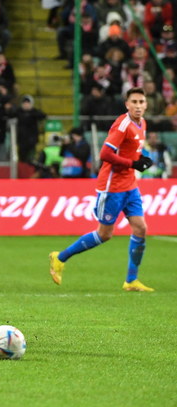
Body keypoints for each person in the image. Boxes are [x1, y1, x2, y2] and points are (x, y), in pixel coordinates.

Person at [49, 87, 155, 292]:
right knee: (105, 234)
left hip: (130, 184)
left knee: (141, 228)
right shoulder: (122, 124)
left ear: (146, 104)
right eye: (134, 102)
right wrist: (133, 164)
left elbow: (129, 152)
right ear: (127, 104)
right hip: (112, 187)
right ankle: (60, 258)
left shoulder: (142, 123)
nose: (138, 106)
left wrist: (138, 160)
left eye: (142, 102)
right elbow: (105, 154)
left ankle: (131, 280)